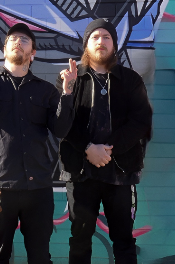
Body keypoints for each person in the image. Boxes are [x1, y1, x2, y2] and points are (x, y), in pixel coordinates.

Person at [0, 22, 77, 264]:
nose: (18, 42)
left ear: (33, 53)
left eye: (24, 40)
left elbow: (61, 129)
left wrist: (67, 93)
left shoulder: (45, 90)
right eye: (13, 39)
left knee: (40, 258)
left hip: (38, 188)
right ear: (4, 48)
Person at [57, 19, 153, 264]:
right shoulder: (70, 79)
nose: (101, 42)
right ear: (86, 44)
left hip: (120, 172)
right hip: (80, 173)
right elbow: (62, 124)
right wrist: (88, 148)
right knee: (80, 240)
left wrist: (109, 149)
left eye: (106, 37)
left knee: (124, 240)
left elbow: (141, 121)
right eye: (95, 37)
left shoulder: (130, 80)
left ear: (114, 44)